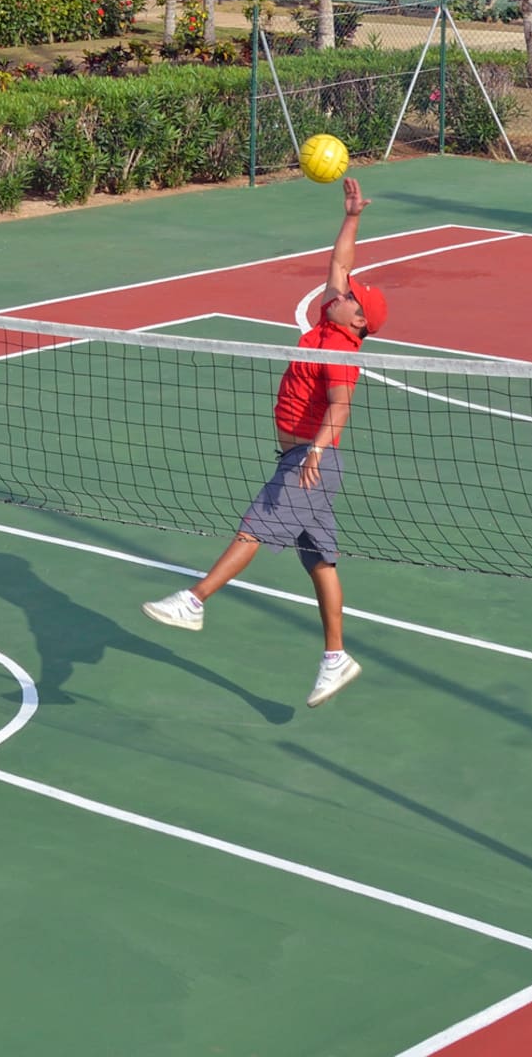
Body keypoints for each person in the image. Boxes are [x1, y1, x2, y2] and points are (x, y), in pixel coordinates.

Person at [143, 177, 387, 709]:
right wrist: (351, 217)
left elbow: (341, 408)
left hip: (309, 463)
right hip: (305, 458)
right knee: (320, 563)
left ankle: (195, 599)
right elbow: (340, 265)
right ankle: (336, 657)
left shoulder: (342, 352)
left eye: (350, 299)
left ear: (360, 320)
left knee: (255, 527)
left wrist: (318, 450)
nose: (341, 293)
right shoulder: (329, 320)